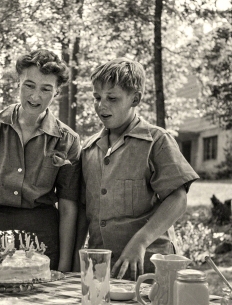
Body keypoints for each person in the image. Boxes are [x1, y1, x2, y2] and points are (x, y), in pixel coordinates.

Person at [72, 58, 199, 280]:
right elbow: (84, 210)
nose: (102, 105)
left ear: (136, 99)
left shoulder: (157, 141)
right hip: (102, 269)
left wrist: (139, 242)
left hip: (150, 268)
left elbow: (178, 199)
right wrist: (75, 261)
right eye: (97, 97)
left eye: (112, 98)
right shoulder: (89, 149)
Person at [0, 49, 81, 272]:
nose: (35, 96)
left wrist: (65, 266)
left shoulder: (68, 140)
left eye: (46, 89)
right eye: (29, 85)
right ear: (18, 82)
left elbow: (68, 207)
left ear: (56, 92)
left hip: (42, 240)